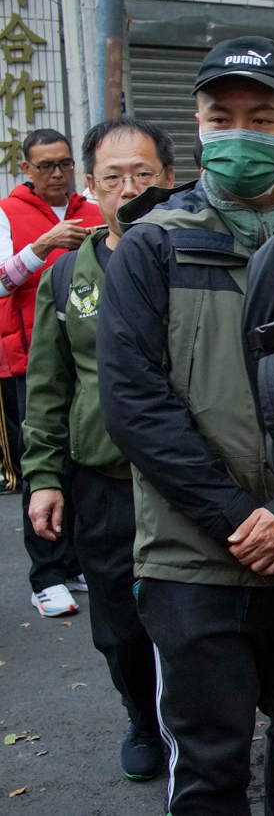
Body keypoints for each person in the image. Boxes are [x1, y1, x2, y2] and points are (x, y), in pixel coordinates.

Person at [98, 35, 274, 814]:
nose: (237, 131)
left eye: (260, 116)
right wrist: (240, 518)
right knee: (209, 763)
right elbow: (135, 403)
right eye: (219, 115)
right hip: (193, 557)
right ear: (196, 125)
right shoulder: (153, 244)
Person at [23, 117, 174, 780]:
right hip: (105, 483)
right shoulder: (66, 278)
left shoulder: (197, 258)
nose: (129, 187)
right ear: (91, 186)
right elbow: (48, 386)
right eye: (113, 177)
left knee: (198, 613)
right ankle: (143, 718)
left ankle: (198, 726)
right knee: (118, 623)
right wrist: (44, 477)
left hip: (185, 480)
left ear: (168, 179)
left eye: (143, 174)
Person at [3, 128, 102, 617]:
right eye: (45, 166)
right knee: (41, 462)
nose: (57, 173)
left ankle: (76, 560)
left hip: (89, 355)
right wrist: (42, 247)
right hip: (29, 358)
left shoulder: (95, 209)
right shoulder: (7, 212)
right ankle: (46, 575)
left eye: (64, 163)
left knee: (82, 456)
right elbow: (0, 284)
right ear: (26, 169)